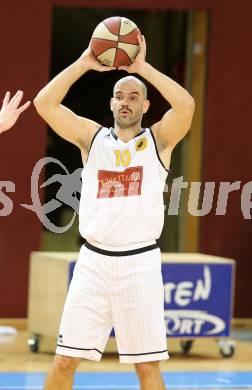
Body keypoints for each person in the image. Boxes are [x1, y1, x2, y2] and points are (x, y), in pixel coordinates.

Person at [34, 34, 194, 390]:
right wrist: (84, 62)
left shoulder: (159, 141)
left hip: (139, 264)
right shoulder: (92, 138)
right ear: (110, 104)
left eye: (134, 97)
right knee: (63, 361)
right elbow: (44, 103)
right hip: (93, 263)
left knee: (147, 368)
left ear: (145, 106)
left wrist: (142, 68)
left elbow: (186, 106)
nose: (126, 102)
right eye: (120, 96)